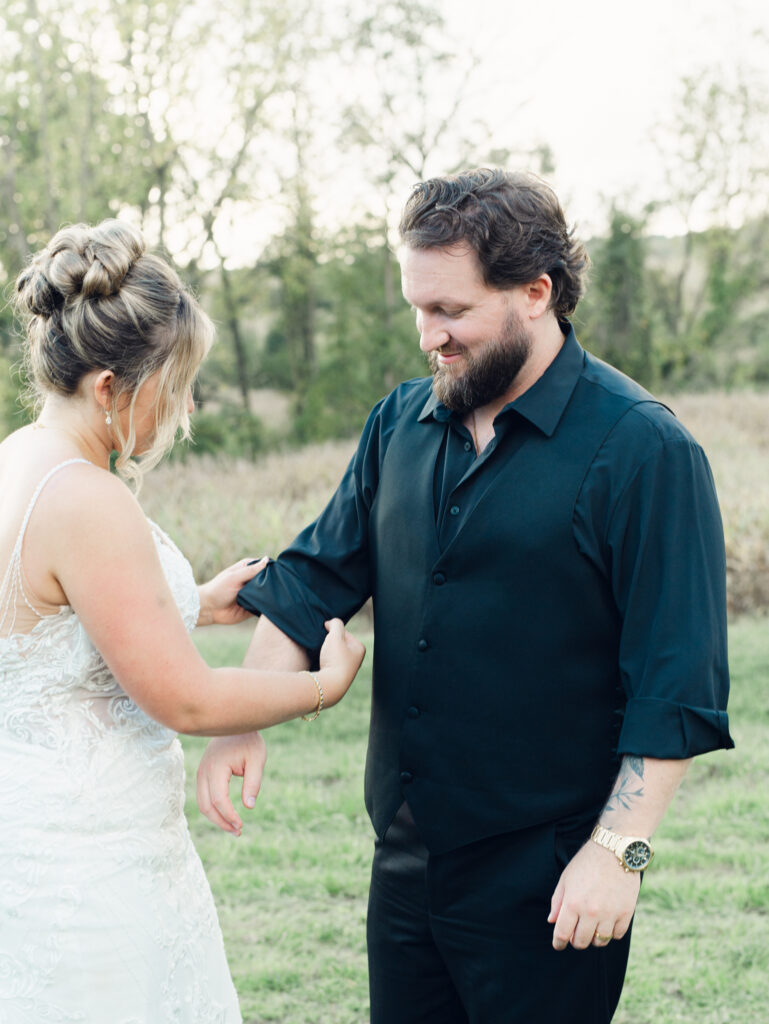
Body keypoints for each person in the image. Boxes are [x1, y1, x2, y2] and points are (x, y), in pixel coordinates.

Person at [197, 169, 734, 1023]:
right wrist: (243, 716)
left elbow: (676, 678)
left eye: (451, 311)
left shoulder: (645, 450)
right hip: (404, 863)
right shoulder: (397, 424)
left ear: (535, 291)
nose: (428, 337)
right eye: (417, 308)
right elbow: (311, 581)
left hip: (553, 875)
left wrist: (618, 851)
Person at [0, 220, 364, 1024]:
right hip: (93, 869)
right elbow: (187, 702)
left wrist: (191, 603)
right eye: (176, 381)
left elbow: (40, 624)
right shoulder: (87, 496)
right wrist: (317, 687)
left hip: (30, 837)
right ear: (107, 386)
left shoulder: (18, 458)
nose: (187, 405)